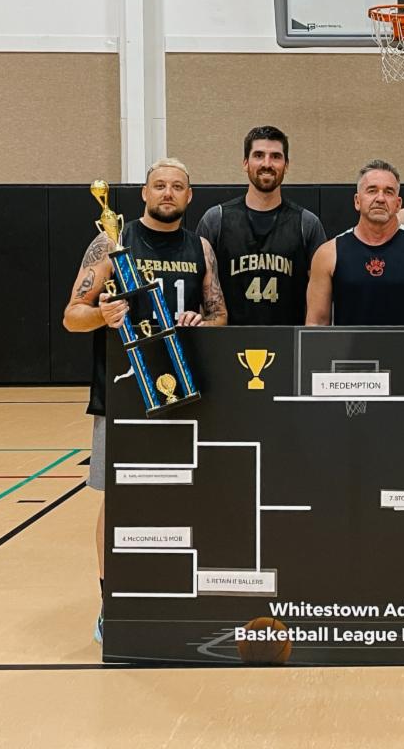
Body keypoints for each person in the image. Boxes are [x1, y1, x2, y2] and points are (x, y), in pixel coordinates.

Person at [63, 158, 226, 644]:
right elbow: (73, 315)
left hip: (184, 389)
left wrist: (201, 321)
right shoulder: (111, 242)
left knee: (189, 493)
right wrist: (104, 315)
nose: (168, 193)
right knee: (119, 498)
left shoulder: (200, 246)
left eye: (177, 186)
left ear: (189, 195)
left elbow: (220, 314)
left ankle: (180, 592)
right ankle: (110, 600)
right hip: (122, 390)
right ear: (144, 193)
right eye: (159, 185)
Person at [196, 125, 326, 324]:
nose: (267, 163)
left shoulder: (307, 224)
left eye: (276, 156)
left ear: (286, 165)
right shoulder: (216, 220)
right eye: (258, 155)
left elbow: (318, 303)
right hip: (229, 340)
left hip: (289, 339)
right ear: (245, 163)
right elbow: (200, 296)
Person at [306, 159, 404, 326]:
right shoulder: (328, 254)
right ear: (357, 201)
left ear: (398, 204)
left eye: (388, 192)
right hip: (348, 345)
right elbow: (315, 326)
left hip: (403, 345)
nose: (380, 198)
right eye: (372, 191)